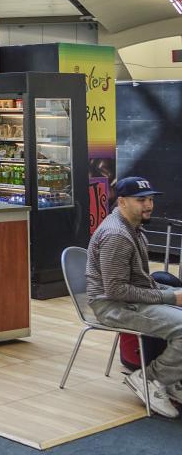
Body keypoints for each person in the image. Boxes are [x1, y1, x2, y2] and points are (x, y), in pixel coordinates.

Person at [87, 176, 182, 418]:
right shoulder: (117, 235)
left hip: (128, 300)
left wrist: (169, 293)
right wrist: (171, 298)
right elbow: (116, 290)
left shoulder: (132, 227)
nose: (148, 205)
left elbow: (138, 281)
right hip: (113, 306)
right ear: (122, 202)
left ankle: (168, 381)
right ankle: (149, 379)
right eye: (141, 200)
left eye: (150, 199)